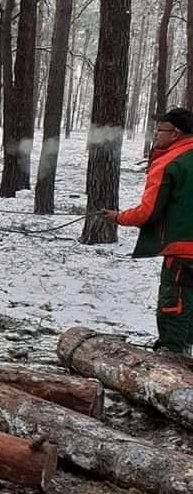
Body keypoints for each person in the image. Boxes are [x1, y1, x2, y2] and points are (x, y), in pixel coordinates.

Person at [103, 107, 193, 352]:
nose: (155, 135)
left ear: (175, 133)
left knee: (174, 304)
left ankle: (171, 360)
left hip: (184, 252)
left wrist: (118, 217)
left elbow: (148, 212)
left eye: (159, 130)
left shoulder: (169, 162)